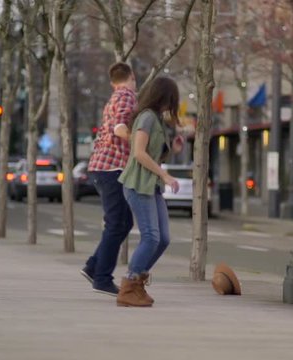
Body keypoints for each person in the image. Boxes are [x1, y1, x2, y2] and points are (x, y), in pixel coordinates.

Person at [117, 77, 184, 307]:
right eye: (172, 100)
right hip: (137, 184)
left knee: (163, 238)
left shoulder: (156, 119)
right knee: (151, 236)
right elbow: (139, 153)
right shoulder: (146, 117)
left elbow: (152, 155)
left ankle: (138, 281)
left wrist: (172, 151)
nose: (172, 105)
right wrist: (165, 175)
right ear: (163, 97)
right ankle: (130, 285)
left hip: (151, 185)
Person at [81, 62, 137, 296]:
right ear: (131, 77)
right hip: (111, 167)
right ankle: (102, 277)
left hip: (104, 166)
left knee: (123, 223)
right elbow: (120, 127)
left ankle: (94, 267)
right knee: (117, 223)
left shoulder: (114, 96)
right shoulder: (126, 95)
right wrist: (140, 143)